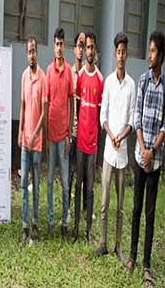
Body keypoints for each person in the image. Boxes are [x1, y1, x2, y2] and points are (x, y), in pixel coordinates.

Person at [124, 31, 165, 288]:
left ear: (160, 55)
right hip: (141, 158)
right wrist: (142, 149)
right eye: (148, 50)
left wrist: (153, 151)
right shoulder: (143, 81)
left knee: (150, 214)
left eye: (152, 51)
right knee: (136, 210)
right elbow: (136, 117)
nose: (148, 55)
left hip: (156, 160)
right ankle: (132, 257)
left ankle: (146, 265)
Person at [94, 32, 134, 262]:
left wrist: (121, 135)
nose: (120, 56)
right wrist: (111, 136)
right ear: (115, 53)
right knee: (104, 202)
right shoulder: (108, 81)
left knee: (119, 206)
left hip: (123, 155)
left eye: (123, 52)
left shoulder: (131, 85)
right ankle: (103, 243)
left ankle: (118, 245)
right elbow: (103, 115)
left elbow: (131, 119)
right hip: (109, 153)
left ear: (127, 55)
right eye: (117, 52)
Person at [73, 32, 103, 243]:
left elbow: (100, 116)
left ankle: (88, 232)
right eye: (87, 47)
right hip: (80, 143)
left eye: (92, 48)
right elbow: (76, 108)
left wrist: (97, 141)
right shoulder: (80, 76)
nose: (89, 51)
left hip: (93, 145)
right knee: (78, 185)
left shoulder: (100, 80)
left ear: (96, 52)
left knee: (90, 189)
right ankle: (75, 229)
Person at [45, 27, 74, 238]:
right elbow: (46, 104)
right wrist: (46, 135)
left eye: (62, 44)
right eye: (56, 44)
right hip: (51, 136)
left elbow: (72, 102)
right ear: (53, 46)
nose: (59, 47)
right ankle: (51, 221)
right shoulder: (48, 71)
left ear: (65, 46)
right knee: (48, 182)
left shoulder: (70, 71)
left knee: (65, 183)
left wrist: (70, 134)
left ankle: (65, 222)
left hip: (64, 137)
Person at [18, 37, 47, 243]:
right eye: (29, 51)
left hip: (36, 143)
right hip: (25, 141)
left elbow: (44, 112)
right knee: (23, 183)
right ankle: (25, 226)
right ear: (26, 54)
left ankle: (36, 224)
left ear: (37, 53)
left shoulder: (43, 78)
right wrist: (20, 131)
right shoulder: (24, 76)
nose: (32, 55)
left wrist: (35, 134)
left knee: (36, 183)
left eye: (34, 51)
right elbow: (22, 106)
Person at [69, 32, 86, 219]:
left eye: (84, 46)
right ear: (74, 49)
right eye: (79, 46)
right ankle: (67, 207)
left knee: (83, 173)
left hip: (85, 133)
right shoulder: (70, 74)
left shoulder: (89, 73)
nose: (81, 49)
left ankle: (81, 208)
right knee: (70, 172)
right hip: (72, 132)